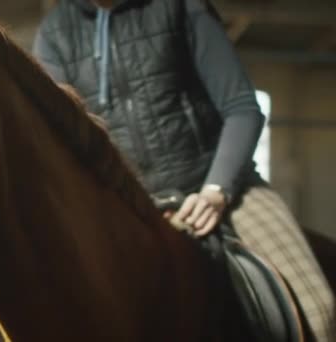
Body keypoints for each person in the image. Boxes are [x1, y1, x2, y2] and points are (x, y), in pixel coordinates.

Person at [33, 0, 335, 340]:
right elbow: (62, 142)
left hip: (221, 189)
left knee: (320, 311)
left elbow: (242, 109)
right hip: (130, 205)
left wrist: (217, 190)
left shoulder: (181, 7)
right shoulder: (55, 32)